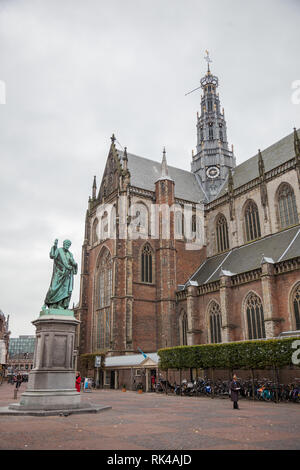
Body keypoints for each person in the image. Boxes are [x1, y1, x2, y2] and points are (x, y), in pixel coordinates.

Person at [42, 239, 78, 310]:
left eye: (68, 245)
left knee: (65, 291)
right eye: (66, 244)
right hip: (58, 274)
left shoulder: (70, 254)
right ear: (63, 244)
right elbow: (52, 256)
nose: (67, 246)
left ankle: (60, 305)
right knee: (53, 289)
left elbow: (74, 264)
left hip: (67, 275)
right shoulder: (59, 250)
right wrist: (55, 246)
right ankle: (46, 303)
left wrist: (74, 264)